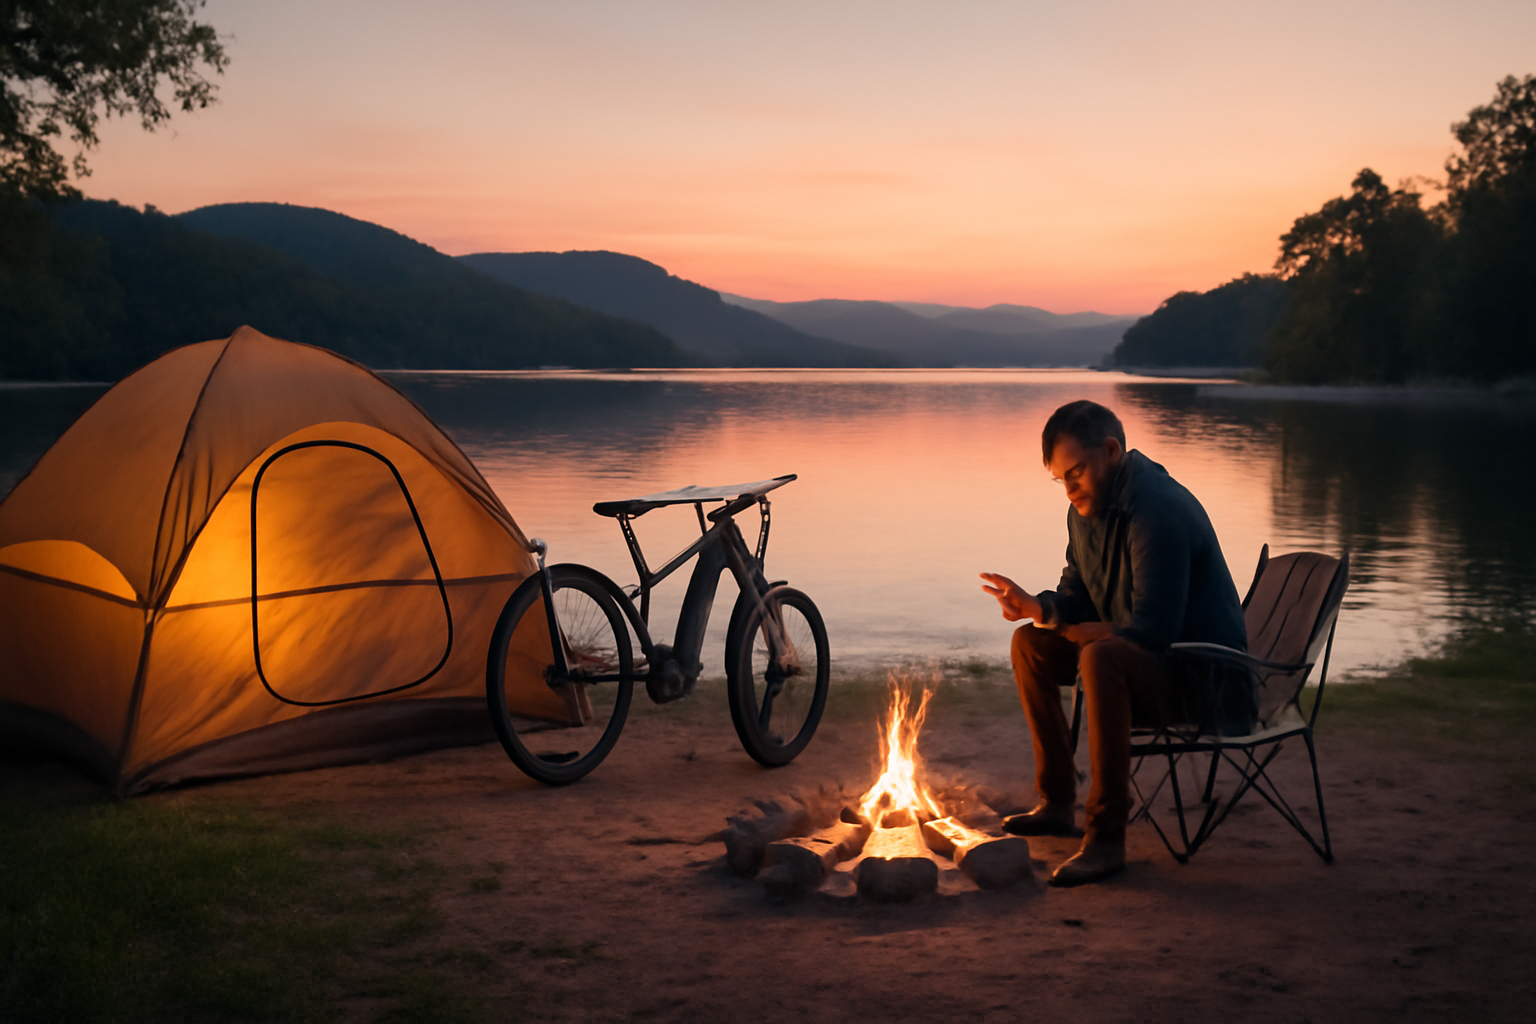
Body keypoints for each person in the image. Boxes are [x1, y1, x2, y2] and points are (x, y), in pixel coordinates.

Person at [980, 400, 1251, 888]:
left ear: (1111, 451)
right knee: (1030, 644)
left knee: (1101, 656)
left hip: (1202, 681)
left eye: (1076, 473)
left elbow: (1152, 631)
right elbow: (1076, 598)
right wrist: (1037, 609)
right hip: (1150, 664)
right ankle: (1057, 802)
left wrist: (1080, 633)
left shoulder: (1158, 509)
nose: (1069, 489)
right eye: (1060, 480)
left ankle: (1106, 838)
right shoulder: (1085, 511)